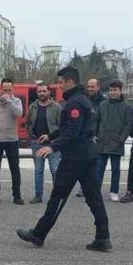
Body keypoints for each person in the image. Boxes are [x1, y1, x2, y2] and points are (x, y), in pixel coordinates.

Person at [17, 67, 111, 252]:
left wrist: (52, 146)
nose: (58, 86)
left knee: (57, 196)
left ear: (70, 82)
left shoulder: (74, 103)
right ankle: (103, 237)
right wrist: (51, 136)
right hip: (88, 155)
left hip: (74, 158)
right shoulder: (83, 100)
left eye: (60, 83)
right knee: (94, 198)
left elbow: (72, 133)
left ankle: (38, 234)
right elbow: (68, 128)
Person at [95, 81, 133, 202]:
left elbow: (128, 125)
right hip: (102, 141)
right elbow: (96, 121)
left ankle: (114, 192)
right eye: (111, 90)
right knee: (99, 168)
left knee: (115, 169)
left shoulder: (126, 106)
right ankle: (96, 192)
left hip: (117, 142)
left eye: (115, 90)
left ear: (120, 91)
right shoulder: (102, 105)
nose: (113, 92)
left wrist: (122, 138)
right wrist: (95, 135)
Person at [27, 82, 61, 204]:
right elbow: (28, 123)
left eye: (43, 91)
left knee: (55, 170)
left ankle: (57, 196)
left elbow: (62, 126)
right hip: (37, 144)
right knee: (38, 170)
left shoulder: (56, 107)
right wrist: (31, 136)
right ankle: (38, 195)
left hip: (53, 144)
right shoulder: (32, 107)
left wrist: (54, 139)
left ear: (49, 92)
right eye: (39, 91)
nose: (41, 93)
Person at [77, 78, 105, 199]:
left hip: (98, 137)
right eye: (88, 87)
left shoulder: (104, 102)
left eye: (92, 87)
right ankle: (83, 187)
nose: (90, 89)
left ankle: (95, 189)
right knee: (83, 163)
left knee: (97, 165)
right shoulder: (83, 100)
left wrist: (98, 134)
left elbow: (104, 120)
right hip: (84, 137)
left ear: (98, 87)